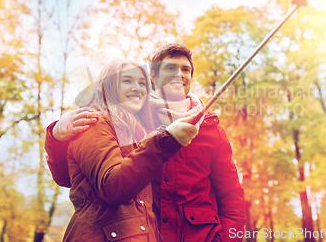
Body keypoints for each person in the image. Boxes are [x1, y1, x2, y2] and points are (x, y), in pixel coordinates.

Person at [45, 43, 246, 242]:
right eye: (170, 68)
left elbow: (232, 196)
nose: (179, 74)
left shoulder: (210, 128)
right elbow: (74, 178)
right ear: (155, 79)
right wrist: (57, 134)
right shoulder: (132, 121)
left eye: (186, 69)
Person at [50, 58, 200, 242]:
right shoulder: (94, 123)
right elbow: (113, 186)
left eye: (142, 83)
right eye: (127, 80)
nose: (137, 88)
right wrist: (166, 141)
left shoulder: (139, 133)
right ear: (110, 86)